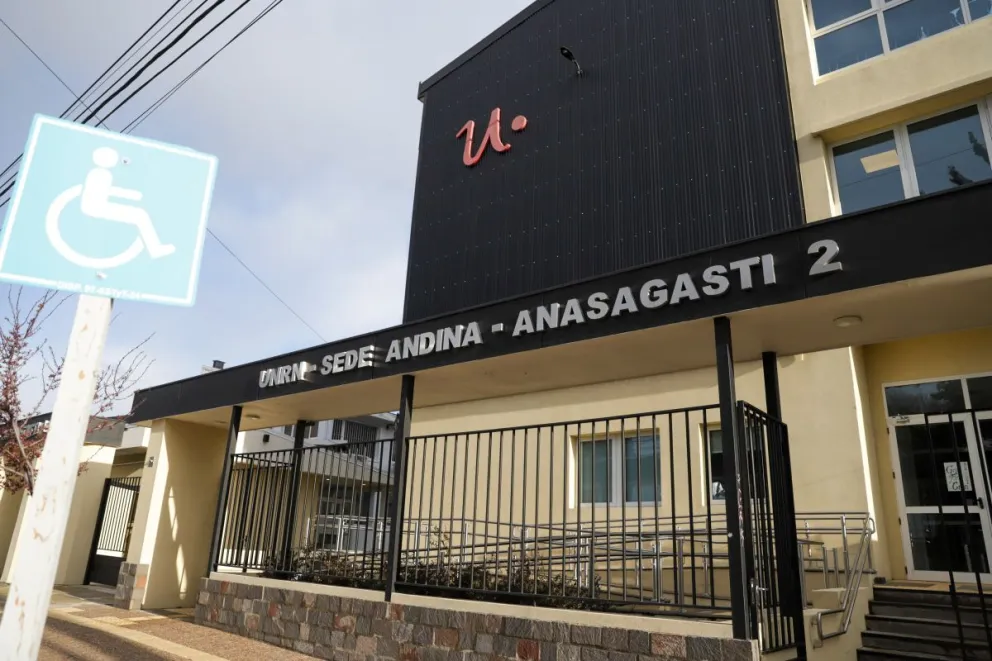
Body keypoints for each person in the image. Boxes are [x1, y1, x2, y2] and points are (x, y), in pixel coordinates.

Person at [79, 146, 175, 259]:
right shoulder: (102, 174)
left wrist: (132, 196)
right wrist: (132, 195)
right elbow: (108, 192)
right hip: (96, 207)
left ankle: (155, 248)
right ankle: (154, 248)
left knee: (139, 214)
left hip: (95, 205)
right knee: (140, 215)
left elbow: (108, 192)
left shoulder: (97, 173)